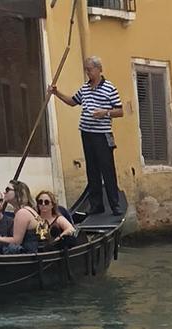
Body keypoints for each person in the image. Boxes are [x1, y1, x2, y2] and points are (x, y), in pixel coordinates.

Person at [51, 56, 122, 215]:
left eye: (89, 69)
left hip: (102, 135)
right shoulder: (85, 88)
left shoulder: (109, 88)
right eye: (86, 70)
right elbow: (72, 101)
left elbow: (120, 111)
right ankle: (96, 205)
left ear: (98, 69)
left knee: (107, 169)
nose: (87, 72)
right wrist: (57, 93)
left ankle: (115, 204)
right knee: (92, 169)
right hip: (87, 133)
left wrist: (105, 112)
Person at [0, 181, 40, 253]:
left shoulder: (22, 213)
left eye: (7, 190)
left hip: (29, 256)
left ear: (18, 192)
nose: (4, 192)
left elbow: (16, 241)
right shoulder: (29, 210)